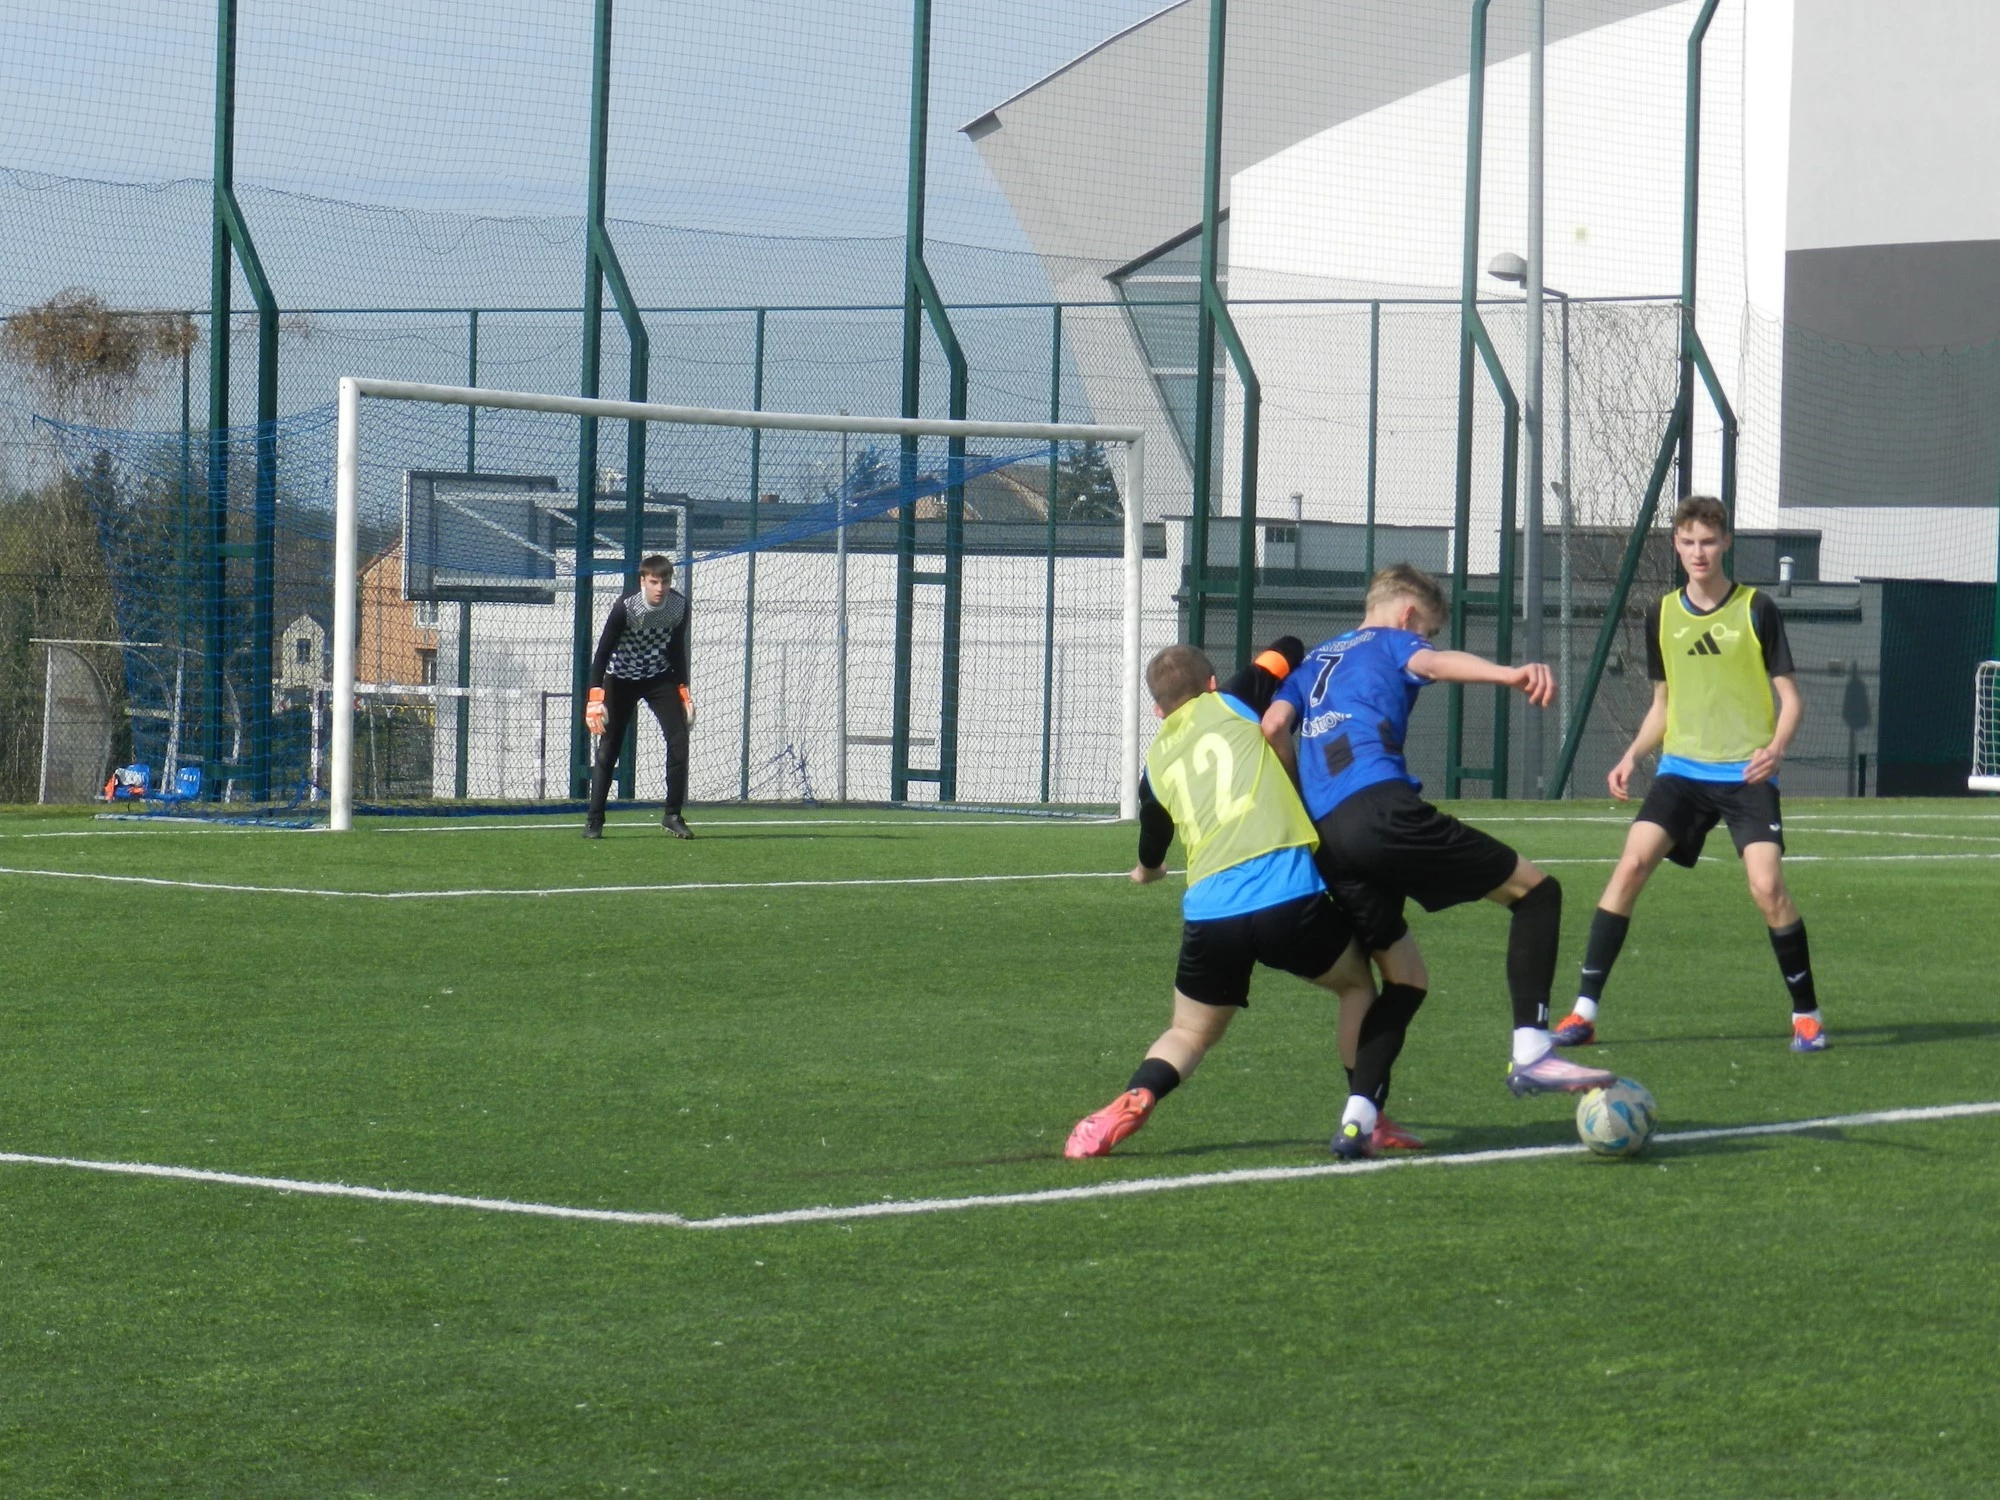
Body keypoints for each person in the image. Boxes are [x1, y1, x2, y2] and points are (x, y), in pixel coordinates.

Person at [1261, 563, 1616, 1160]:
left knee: (1405, 978)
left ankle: (1360, 1118)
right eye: (1425, 629)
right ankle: (1532, 1049)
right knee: (1537, 893)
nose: (1423, 641)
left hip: (1329, 839)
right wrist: (1509, 674)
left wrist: (1305, 801)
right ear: (1407, 616)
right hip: (1381, 809)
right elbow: (1432, 665)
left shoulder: (1316, 660)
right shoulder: (1392, 640)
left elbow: (1273, 726)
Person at [1064, 643, 1380, 1160]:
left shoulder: (1155, 764)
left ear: (1158, 711)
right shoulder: (1237, 695)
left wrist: (1147, 871)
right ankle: (1365, 1116)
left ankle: (1139, 1094)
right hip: (1286, 897)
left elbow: (1152, 842)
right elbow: (1286, 650)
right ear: (1211, 684)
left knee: (1188, 1032)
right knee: (1357, 985)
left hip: (1212, 914)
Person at [1553, 495, 1824, 1053]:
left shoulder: (1757, 608)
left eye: (1708, 541)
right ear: (1675, 545)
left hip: (1747, 774)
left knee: (1767, 887)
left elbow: (1791, 699)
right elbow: (1663, 703)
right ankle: (1583, 1013)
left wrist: (1776, 749)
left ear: (1726, 543)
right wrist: (1631, 755)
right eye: (1688, 542)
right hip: (1681, 771)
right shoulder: (1661, 614)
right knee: (1630, 866)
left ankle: (1807, 1016)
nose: (1698, 552)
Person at [583, 553, 694, 840]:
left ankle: (672, 815)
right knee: (609, 747)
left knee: (679, 741)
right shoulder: (625, 607)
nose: (660, 588)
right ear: (643, 581)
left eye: (665, 582)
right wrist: (595, 697)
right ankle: (594, 819)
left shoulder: (679, 606)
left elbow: (676, 650)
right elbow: (602, 653)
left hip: (658, 677)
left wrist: (683, 690)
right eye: (654, 582)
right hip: (621, 679)